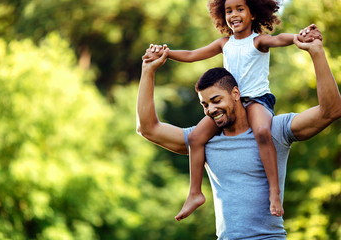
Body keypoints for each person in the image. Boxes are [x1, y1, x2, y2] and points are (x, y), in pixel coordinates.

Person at [136, 25, 341, 239]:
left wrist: (316, 52)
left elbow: (331, 111)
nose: (211, 109)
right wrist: (148, 70)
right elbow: (147, 128)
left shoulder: (274, 130)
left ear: (235, 94)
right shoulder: (204, 140)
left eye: (216, 100)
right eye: (205, 105)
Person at [143, 0, 312, 220]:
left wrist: (298, 38)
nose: (233, 14)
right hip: (232, 104)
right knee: (195, 138)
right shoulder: (225, 43)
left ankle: (274, 192)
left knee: (262, 132)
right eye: (228, 10)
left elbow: (279, 39)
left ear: (253, 14)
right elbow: (194, 54)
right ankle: (194, 193)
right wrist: (166, 53)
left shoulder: (258, 41)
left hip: (257, 101)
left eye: (240, 9)